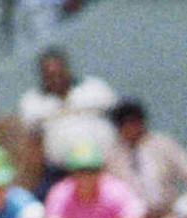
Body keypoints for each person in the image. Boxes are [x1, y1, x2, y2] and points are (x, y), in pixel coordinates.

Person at [19, 47, 117, 194]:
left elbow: (118, 122)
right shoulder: (32, 103)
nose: (55, 78)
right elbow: (33, 145)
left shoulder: (94, 88)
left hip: (104, 165)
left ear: (67, 68)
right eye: (49, 75)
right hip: (60, 173)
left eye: (59, 72)